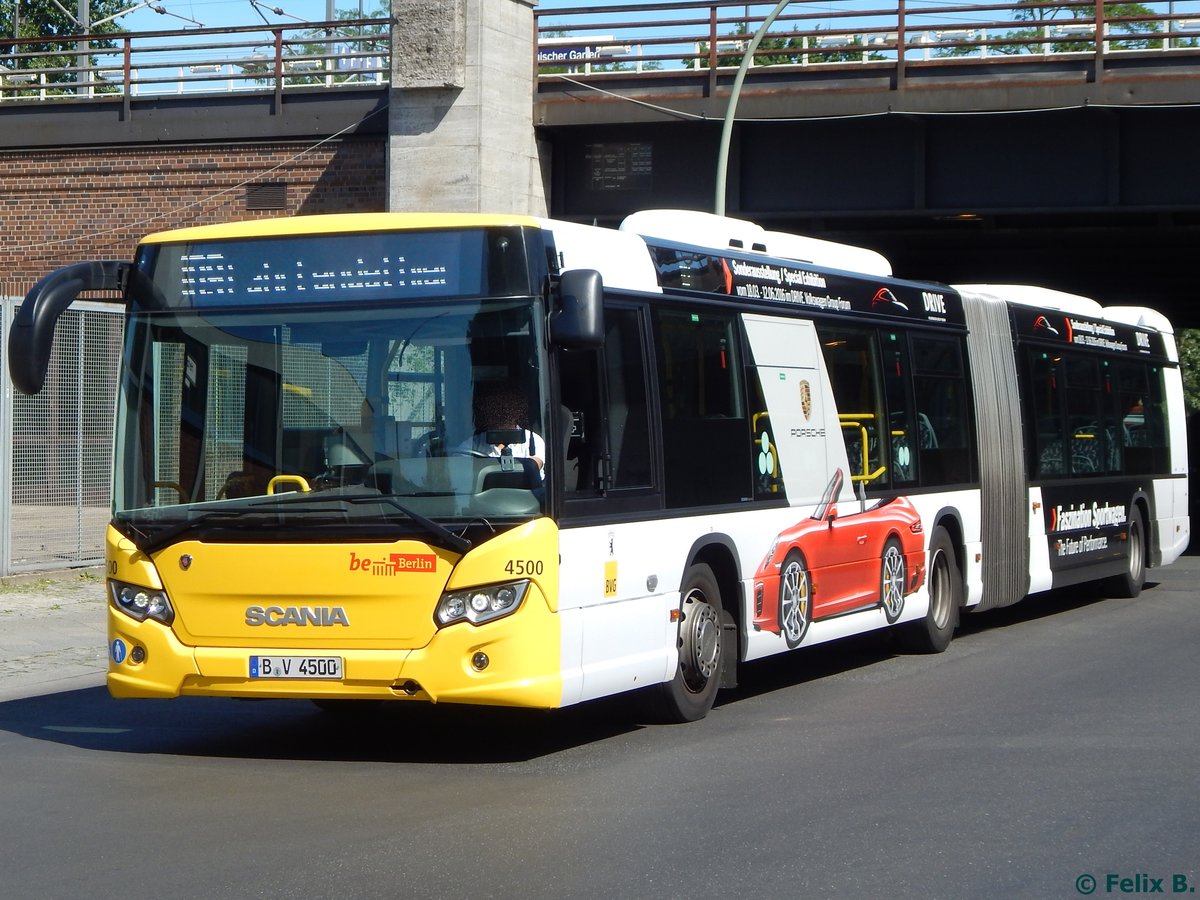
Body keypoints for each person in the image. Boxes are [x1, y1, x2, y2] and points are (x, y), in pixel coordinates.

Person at [464, 384, 545, 478]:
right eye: (495, 409)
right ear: (487, 412)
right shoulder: (473, 444)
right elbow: (456, 464)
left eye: (506, 409)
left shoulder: (533, 441)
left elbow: (535, 467)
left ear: (517, 412)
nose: (501, 415)